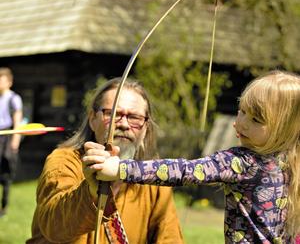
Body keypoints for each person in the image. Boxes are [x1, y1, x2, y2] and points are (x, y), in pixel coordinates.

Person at [90, 70, 300, 243]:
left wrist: (119, 169)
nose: (242, 122)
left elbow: (183, 171)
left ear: (285, 129)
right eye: (242, 111)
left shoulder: (242, 162)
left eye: (256, 119)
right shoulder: (292, 163)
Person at [26, 78, 183, 243]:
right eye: (113, 114)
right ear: (93, 119)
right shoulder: (63, 162)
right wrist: (90, 192)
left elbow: (169, 238)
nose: (123, 124)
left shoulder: (152, 179)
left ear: (146, 128)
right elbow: (54, 227)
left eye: (135, 117)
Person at [0, 67, 23, 217]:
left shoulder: (14, 98)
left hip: (8, 137)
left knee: (6, 173)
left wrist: (15, 140)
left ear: (9, 82)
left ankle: (4, 205)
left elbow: (17, 121)